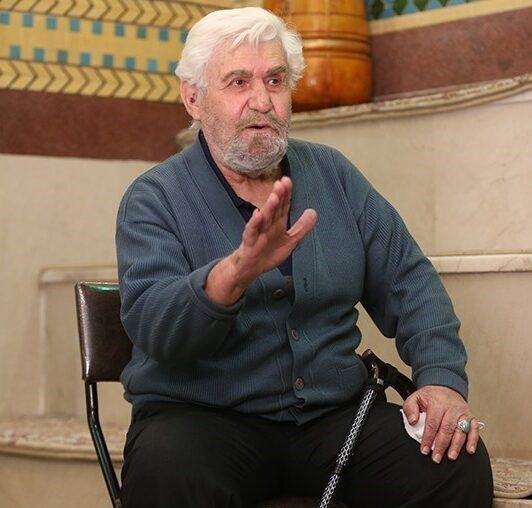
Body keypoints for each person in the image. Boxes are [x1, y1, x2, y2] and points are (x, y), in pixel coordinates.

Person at [115, 6, 492, 508]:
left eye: (275, 80)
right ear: (193, 98)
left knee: (454, 465)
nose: (261, 101)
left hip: (332, 419)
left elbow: (410, 282)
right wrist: (236, 272)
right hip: (203, 421)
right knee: (166, 472)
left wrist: (442, 380)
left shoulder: (333, 175)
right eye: (238, 82)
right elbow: (154, 326)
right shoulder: (154, 198)